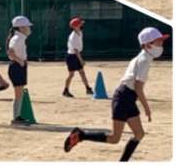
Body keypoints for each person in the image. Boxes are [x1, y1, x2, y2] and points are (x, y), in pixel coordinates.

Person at [64, 26, 170, 161]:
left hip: (127, 98)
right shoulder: (144, 60)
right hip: (124, 98)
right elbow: (138, 87)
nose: (162, 44)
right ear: (148, 45)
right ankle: (81, 135)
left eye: (162, 40)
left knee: (139, 134)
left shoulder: (144, 57)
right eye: (159, 41)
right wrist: (147, 108)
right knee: (114, 138)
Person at [7, 15, 33, 125]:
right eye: (27, 26)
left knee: (20, 93)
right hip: (16, 66)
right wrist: (19, 61)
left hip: (19, 65)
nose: (29, 29)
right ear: (21, 28)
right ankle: (16, 117)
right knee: (18, 93)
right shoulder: (17, 38)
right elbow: (10, 52)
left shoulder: (20, 38)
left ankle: (17, 116)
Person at [63, 17, 93, 97]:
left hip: (76, 55)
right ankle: (66, 90)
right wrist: (81, 60)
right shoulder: (73, 36)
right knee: (71, 74)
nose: (81, 25)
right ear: (75, 26)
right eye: (80, 24)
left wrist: (80, 60)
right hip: (72, 56)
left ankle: (88, 88)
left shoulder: (80, 32)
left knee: (82, 72)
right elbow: (76, 51)